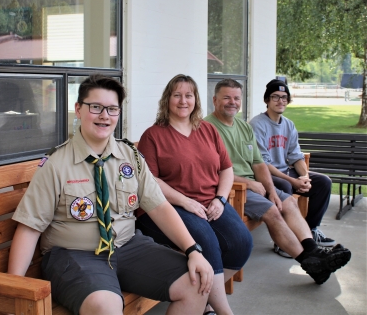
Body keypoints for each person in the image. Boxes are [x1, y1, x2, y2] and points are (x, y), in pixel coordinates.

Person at [8, 74, 213, 315]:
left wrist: (193, 250)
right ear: (79, 109)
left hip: (128, 247)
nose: (105, 115)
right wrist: (14, 291)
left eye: (112, 109)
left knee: (197, 281)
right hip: (75, 255)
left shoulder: (130, 156)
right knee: (106, 306)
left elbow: (159, 207)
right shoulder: (56, 164)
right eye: (96, 107)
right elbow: (30, 227)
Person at [205, 78, 351, 285]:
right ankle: (309, 262)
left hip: (255, 185)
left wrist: (271, 189)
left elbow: (259, 164)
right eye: (226, 97)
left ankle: (314, 254)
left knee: (288, 202)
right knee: (273, 211)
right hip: (231, 189)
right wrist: (248, 184)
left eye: (236, 98)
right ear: (214, 100)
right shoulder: (206, 128)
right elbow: (211, 172)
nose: (232, 102)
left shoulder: (243, 127)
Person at [136, 74, 253, 315]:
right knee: (205, 240)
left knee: (241, 242)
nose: (183, 100)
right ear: (167, 99)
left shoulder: (208, 130)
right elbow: (151, 181)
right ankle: (223, 311)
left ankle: (205, 301)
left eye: (188, 95)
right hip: (166, 206)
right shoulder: (153, 135)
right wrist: (185, 202)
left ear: (196, 100)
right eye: (177, 95)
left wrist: (221, 199)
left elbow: (226, 169)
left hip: (209, 202)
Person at [249, 79, 335, 259]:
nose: (280, 101)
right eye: (275, 97)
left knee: (323, 182)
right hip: (266, 175)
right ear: (267, 100)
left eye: (284, 98)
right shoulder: (258, 124)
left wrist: (304, 177)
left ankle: (310, 231)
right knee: (285, 188)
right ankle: (283, 243)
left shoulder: (288, 124)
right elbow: (263, 163)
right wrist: (293, 181)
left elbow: (296, 156)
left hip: (286, 172)